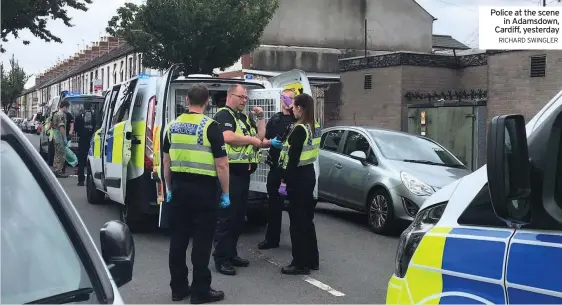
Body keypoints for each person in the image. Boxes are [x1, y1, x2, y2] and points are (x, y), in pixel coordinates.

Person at [162, 84, 229, 304]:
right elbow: (221, 165)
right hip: (204, 190)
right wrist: (226, 192)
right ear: (207, 101)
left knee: (178, 240)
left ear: (187, 101)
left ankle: (178, 289)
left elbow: (166, 161)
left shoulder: (172, 126)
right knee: (202, 241)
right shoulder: (211, 127)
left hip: (179, 188)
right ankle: (200, 291)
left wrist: (169, 188)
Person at [212, 84, 268, 276]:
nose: (245, 100)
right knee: (226, 218)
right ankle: (221, 258)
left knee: (237, 218)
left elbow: (260, 137)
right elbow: (226, 136)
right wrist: (251, 141)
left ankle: (231, 253)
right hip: (230, 173)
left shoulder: (243, 118)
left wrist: (260, 119)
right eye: (241, 97)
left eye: (246, 98)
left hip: (244, 175)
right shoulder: (224, 115)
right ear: (230, 96)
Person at [278, 93, 321, 275]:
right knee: (307, 220)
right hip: (309, 173)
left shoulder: (300, 129)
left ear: (301, 109)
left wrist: (284, 182)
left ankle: (299, 263)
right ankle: (312, 259)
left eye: (294, 107)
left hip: (297, 177)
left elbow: (292, 160)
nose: (292, 109)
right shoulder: (315, 126)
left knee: (296, 222)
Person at [258, 89, 297, 250]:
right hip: (276, 169)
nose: (289, 101)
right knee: (274, 206)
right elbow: (263, 138)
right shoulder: (275, 119)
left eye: (292, 98)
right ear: (282, 99)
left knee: (293, 207)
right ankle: (272, 239)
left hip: (291, 172)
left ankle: (297, 242)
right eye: (287, 98)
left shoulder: (298, 119)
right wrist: (269, 142)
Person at [75, 102, 96, 186]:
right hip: (91, 140)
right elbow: (95, 126)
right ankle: (91, 181)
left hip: (82, 140)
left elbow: (76, 128)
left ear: (84, 107)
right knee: (91, 161)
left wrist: (81, 133)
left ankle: (81, 180)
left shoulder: (79, 117)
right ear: (90, 107)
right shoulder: (94, 117)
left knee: (81, 161)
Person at [51, 101, 70, 178]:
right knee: (61, 154)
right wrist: (64, 137)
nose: (68, 110)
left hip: (55, 135)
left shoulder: (56, 114)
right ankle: (59, 170)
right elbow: (62, 127)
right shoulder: (61, 115)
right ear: (64, 107)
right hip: (59, 136)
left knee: (57, 153)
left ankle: (56, 169)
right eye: (67, 108)